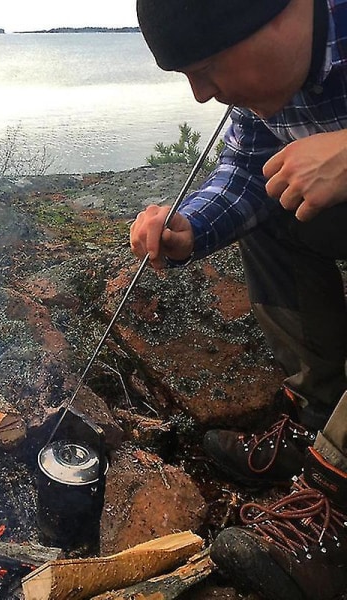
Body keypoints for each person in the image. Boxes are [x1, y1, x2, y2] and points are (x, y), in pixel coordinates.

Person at [130, 1, 347, 599]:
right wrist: (190, 228)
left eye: (209, 66)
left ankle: (338, 506)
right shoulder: (267, 90)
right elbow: (249, 166)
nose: (202, 95)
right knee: (277, 204)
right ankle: (317, 419)